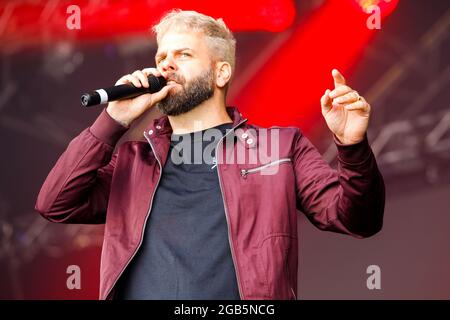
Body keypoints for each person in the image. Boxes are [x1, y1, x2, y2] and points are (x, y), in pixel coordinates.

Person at [35, 9, 385, 300]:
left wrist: (351, 147)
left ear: (221, 72)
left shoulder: (279, 147)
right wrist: (113, 120)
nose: (166, 66)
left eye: (183, 55)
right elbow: (55, 203)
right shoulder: (132, 161)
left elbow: (357, 219)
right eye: (161, 57)